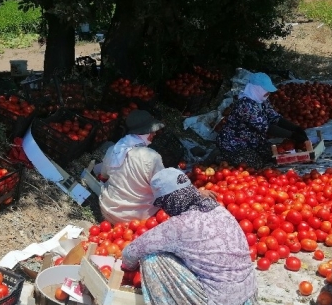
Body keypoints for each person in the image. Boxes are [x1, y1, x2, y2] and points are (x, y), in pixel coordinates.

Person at [121, 168, 257, 305]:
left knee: (151, 259)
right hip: (249, 294)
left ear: (168, 202)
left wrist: (130, 268)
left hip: (221, 301)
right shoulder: (218, 209)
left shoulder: (177, 226)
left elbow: (130, 253)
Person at [99, 110, 216, 224]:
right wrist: (197, 193)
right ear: (145, 132)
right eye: (152, 131)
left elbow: (103, 176)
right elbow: (166, 189)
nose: (154, 134)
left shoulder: (113, 150)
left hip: (108, 210)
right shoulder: (151, 157)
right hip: (135, 218)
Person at [216, 72, 309, 169]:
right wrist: (292, 135)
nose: (268, 93)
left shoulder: (261, 100)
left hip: (253, 141)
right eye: (265, 89)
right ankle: (223, 157)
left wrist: (296, 128)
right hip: (235, 144)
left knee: (273, 156)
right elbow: (266, 127)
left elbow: (275, 117)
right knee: (256, 164)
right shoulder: (245, 105)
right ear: (256, 89)